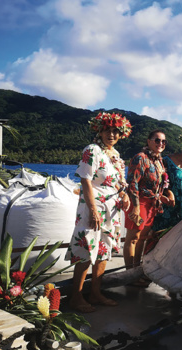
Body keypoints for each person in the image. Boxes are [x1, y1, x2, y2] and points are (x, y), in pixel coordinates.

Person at [66, 112, 132, 313]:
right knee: (86, 249)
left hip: (111, 211)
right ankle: (76, 297)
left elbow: (118, 183)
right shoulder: (92, 150)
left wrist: (125, 195)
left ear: (121, 134)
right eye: (107, 130)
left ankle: (95, 292)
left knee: (103, 250)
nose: (111, 134)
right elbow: (85, 179)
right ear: (100, 131)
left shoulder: (116, 156)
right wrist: (93, 210)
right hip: (93, 208)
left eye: (115, 131)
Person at [124, 129, 173, 282]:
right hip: (139, 202)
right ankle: (130, 275)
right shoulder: (141, 158)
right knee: (133, 238)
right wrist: (136, 207)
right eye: (157, 140)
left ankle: (137, 271)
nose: (161, 143)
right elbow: (132, 183)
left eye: (163, 141)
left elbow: (158, 185)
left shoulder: (158, 161)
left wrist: (165, 197)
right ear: (149, 141)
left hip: (151, 205)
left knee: (142, 238)